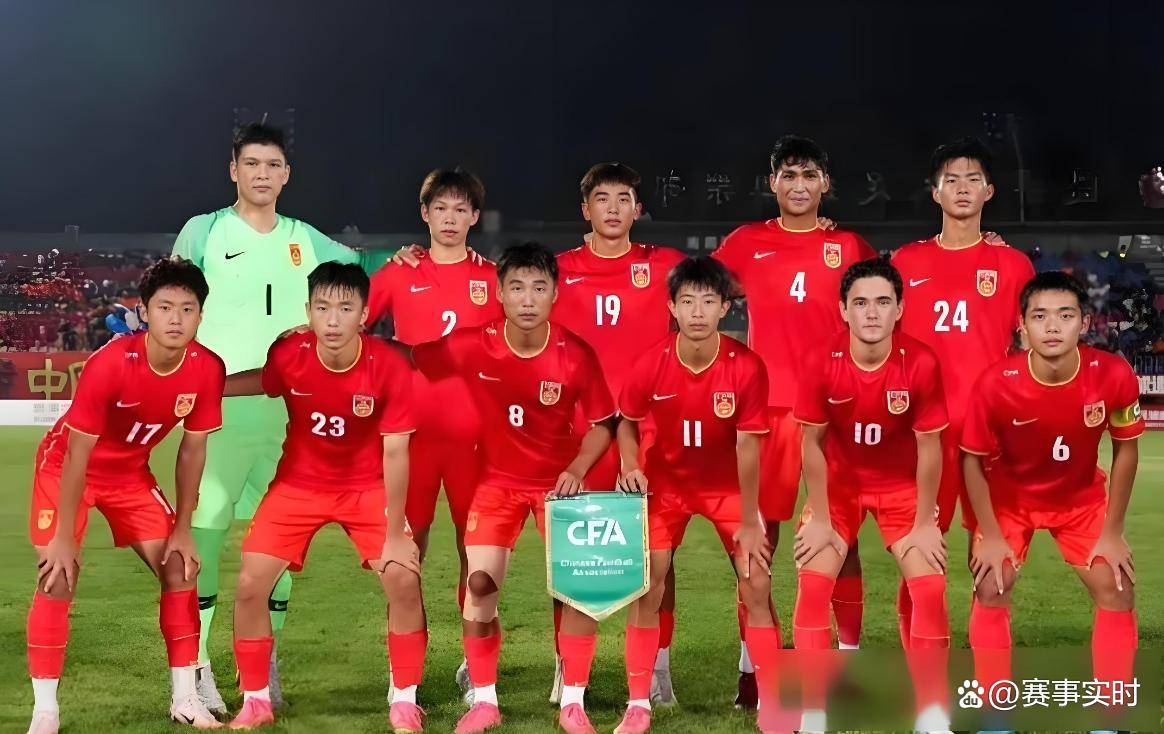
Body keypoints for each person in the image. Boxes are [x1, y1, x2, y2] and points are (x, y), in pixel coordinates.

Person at [171, 122, 364, 711]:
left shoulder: (309, 241)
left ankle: (264, 662)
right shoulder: (204, 231)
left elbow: (363, 283)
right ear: (234, 170)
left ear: (286, 175)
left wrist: (413, 258)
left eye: (273, 164)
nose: (262, 173)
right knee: (203, 537)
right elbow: (170, 302)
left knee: (277, 545)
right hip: (218, 415)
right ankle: (195, 667)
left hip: (287, 419)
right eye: (251, 163)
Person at [411, 243, 617, 734]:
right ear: (500, 293)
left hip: (559, 487)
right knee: (479, 585)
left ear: (555, 294)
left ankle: (573, 702)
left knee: (580, 590)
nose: (528, 299)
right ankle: (485, 701)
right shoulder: (472, 343)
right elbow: (411, 358)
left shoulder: (575, 354)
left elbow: (604, 423)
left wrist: (578, 468)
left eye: (539, 288)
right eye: (517, 287)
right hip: (496, 484)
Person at [25, 257, 226, 734]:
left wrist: (183, 529)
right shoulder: (111, 363)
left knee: (180, 567)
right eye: (164, 307)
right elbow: (77, 454)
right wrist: (64, 538)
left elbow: (193, 451)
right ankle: (46, 712)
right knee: (58, 575)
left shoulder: (207, 368)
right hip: (66, 468)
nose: (176, 318)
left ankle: (185, 699)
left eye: (187, 309)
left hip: (130, 475)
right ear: (146, 311)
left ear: (200, 315)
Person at [221, 262, 426, 731]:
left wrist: (396, 533)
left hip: (367, 486)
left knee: (403, 579)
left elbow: (397, 452)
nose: (333, 320)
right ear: (308, 311)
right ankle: (255, 701)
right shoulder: (289, 353)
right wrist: (214, 386)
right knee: (250, 584)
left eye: (345, 308)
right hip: (299, 485)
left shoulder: (389, 365)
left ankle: (404, 699)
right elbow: (265, 381)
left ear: (365, 315)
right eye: (322, 307)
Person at [711, 135, 875, 703]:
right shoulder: (745, 243)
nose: (799, 185)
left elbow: (885, 304)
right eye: (789, 175)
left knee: (843, 540)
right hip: (769, 411)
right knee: (758, 541)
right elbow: (696, 290)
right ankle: (753, 670)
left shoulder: (847, 245)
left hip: (836, 408)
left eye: (809, 175)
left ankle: (847, 664)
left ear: (825, 183)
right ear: (773, 183)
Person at [962, 271, 1142, 711]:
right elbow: (971, 461)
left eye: (1065, 315)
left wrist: (1113, 531)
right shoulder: (995, 382)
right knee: (991, 585)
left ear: (1085, 323)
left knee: (1117, 587)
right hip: (1010, 501)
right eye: (1040, 316)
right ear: (1022, 325)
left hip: (1080, 501)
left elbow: (1126, 450)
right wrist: (990, 534)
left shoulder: (1113, 374)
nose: (1053, 326)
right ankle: (994, 711)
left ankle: (1110, 712)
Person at [612, 256, 776, 734]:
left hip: (727, 490)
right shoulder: (651, 362)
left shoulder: (747, 367)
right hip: (666, 488)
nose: (698, 312)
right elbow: (627, 423)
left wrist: (751, 519)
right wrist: (630, 464)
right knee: (649, 586)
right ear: (672, 307)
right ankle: (638, 703)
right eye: (687, 301)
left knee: (756, 583)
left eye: (708, 301)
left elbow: (748, 446)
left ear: (725, 307)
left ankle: (772, 700)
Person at [791, 257, 951, 732]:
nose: (872, 312)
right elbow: (811, 443)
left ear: (900, 308)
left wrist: (925, 523)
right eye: (860, 303)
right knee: (813, 583)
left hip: (901, 488)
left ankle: (931, 711)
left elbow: (930, 448)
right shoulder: (820, 359)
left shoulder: (920, 362)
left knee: (931, 588)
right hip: (839, 486)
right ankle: (814, 711)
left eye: (883, 302)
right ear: (843, 310)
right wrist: (820, 518)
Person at [548, 162, 686, 703]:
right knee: (571, 551)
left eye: (623, 198)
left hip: (649, 430)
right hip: (578, 428)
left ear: (637, 208)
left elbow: (730, 281)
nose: (612, 207)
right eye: (601, 198)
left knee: (659, 554)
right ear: (585, 209)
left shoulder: (665, 265)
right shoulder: (558, 270)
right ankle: (565, 666)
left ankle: (658, 667)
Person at [890, 137, 1035, 648]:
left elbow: (1032, 347)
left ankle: (987, 673)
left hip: (990, 434)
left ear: (989, 191)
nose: (962, 188)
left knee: (994, 564)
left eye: (973, 179)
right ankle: (922, 670)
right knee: (920, 559)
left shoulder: (1012, 265)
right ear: (935, 193)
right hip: (922, 434)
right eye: (951, 180)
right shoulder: (906, 261)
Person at [365, 168, 502, 698]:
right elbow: (351, 325)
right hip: (412, 440)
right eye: (440, 208)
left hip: (476, 440)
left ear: (474, 216)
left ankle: (475, 665)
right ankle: (406, 671)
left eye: (460, 209)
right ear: (425, 214)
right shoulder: (397, 273)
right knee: (406, 554)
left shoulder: (493, 278)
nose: (449, 218)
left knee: (478, 558)